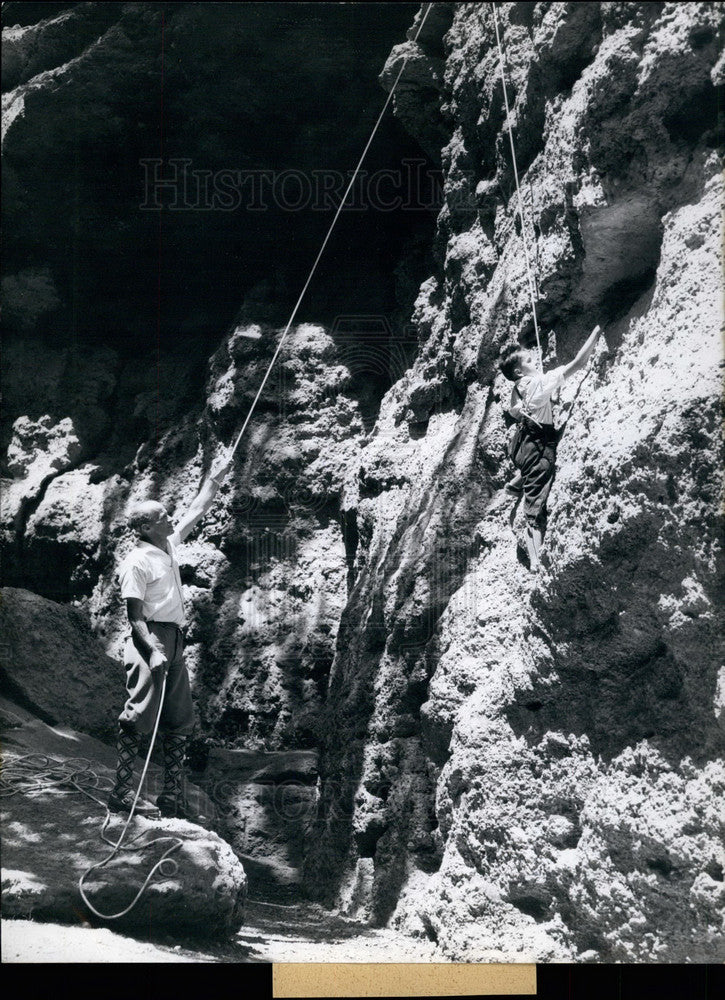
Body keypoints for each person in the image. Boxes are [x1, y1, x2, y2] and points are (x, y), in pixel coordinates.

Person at [107, 450, 233, 819]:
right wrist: (154, 651)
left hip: (175, 637)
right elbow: (134, 617)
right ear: (145, 527)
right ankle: (120, 793)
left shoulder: (168, 546)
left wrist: (217, 476)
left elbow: (197, 509)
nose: (169, 517)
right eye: (162, 516)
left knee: (180, 719)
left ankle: (170, 796)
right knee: (140, 715)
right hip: (151, 639)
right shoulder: (137, 561)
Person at [499, 325, 603, 570]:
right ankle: (535, 557)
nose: (536, 362)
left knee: (531, 468)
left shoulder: (519, 388)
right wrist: (596, 332)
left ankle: (516, 483)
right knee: (535, 503)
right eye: (530, 360)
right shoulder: (538, 384)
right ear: (518, 370)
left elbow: (515, 411)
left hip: (521, 444)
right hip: (537, 449)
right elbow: (578, 363)